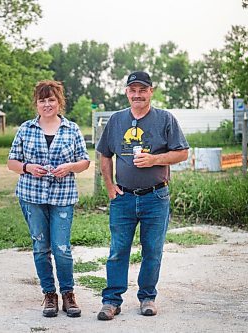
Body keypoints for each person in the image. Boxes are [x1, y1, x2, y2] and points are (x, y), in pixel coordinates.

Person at [96, 71, 189, 320]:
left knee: (152, 251)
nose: (137, 94)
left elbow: (182, 153)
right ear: (127, 92)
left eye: (142, 90)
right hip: (123, 197)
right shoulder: (116, 121)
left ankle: (147, 297)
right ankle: (111, 301)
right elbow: (104, 154)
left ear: (151, 91)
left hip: (155, 197)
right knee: (118, 250)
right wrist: (109, 185)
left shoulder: (165, 119)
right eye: (132, 90)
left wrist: (154, 159)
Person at [7, 80, 90, 318]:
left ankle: (68, 294)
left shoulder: (71, 129)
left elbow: (84, 161)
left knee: (62, 248)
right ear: (36, 103)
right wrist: (27, 167)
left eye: (51, 99)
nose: (47, 104)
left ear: (59, 102)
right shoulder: (25, 129)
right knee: (41, 247)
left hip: (62, 197)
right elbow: (11, 162)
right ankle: (49, 295)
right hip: (32, 196)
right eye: (42, 100)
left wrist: (70, 167)